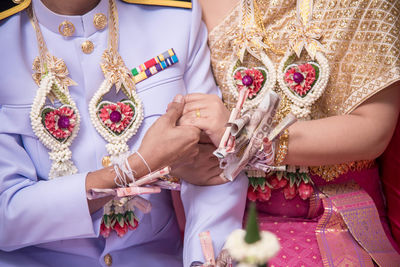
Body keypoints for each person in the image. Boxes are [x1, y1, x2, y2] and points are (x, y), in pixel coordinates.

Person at [0, 0, 247, 266]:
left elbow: (212, 169)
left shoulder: (173, 18)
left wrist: (205, 259)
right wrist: (135, 168)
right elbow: (6, 213)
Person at [178, 0, 400, 265]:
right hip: (230, 217)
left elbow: (373, 130)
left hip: (335, 217)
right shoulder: (193, 7)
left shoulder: (366, 4)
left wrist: (251, 140)